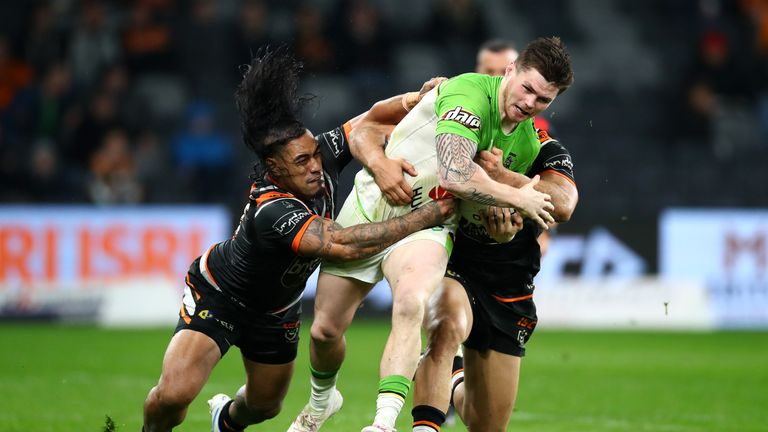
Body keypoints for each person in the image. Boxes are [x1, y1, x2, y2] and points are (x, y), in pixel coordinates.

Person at [141, 48, 455, 432]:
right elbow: (343, 244)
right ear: (275, 167)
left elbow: (371, 119)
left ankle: (224, 421)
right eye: (302, 161)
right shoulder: (272, 208)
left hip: (276, 311)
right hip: (223, 297)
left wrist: (417, 101)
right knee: (174, 395)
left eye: (314, 156)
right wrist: (429, 215)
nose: (315, 166)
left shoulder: (316, 154)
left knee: (264, 406)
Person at [289, 36, 571, 432]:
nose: (529, 103)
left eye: (542, 100)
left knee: (419, 318)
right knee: (325, 330)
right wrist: (377, 162)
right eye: (526, 88)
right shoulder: (458, 91)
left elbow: (557, 205)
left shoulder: (531, 144)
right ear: (507, 72)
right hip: (380, 214)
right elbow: (370, 128)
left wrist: (505, 210)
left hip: (450, 239)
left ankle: (388, 422)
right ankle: (331, 403)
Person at [410, 101, 578, 431]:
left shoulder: (540, 143)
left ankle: (455, 380)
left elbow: (562, 204)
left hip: (507, 281)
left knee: (482, 421)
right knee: (445, 328)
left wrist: (504, 180)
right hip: (455, 261)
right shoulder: (459, 129)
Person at [475, 39, 556, 256]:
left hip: (510, 223)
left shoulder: (538, 132)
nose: (496, 78)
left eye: (502, 71)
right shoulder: (461, 111)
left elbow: (549, 192)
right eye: (488, 70)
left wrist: (539, 230)